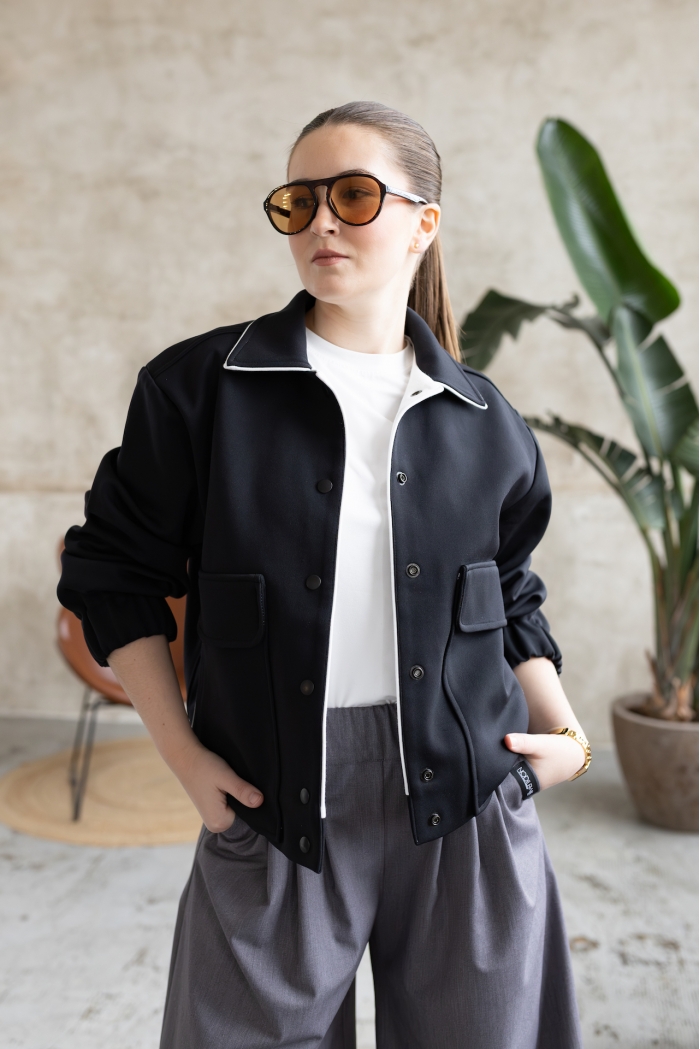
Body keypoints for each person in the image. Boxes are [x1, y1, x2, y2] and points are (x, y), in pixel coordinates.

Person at [58, 101, 588, 1049]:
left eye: (353, 195)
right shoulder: (198, 389)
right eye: (298, 202)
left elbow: (510, 592)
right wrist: (185, 758)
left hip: (468, 799)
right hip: (274, 800)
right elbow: (114, 572)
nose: (321, 223)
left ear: (424, 223)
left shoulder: (482, 417)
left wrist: (569, 737)